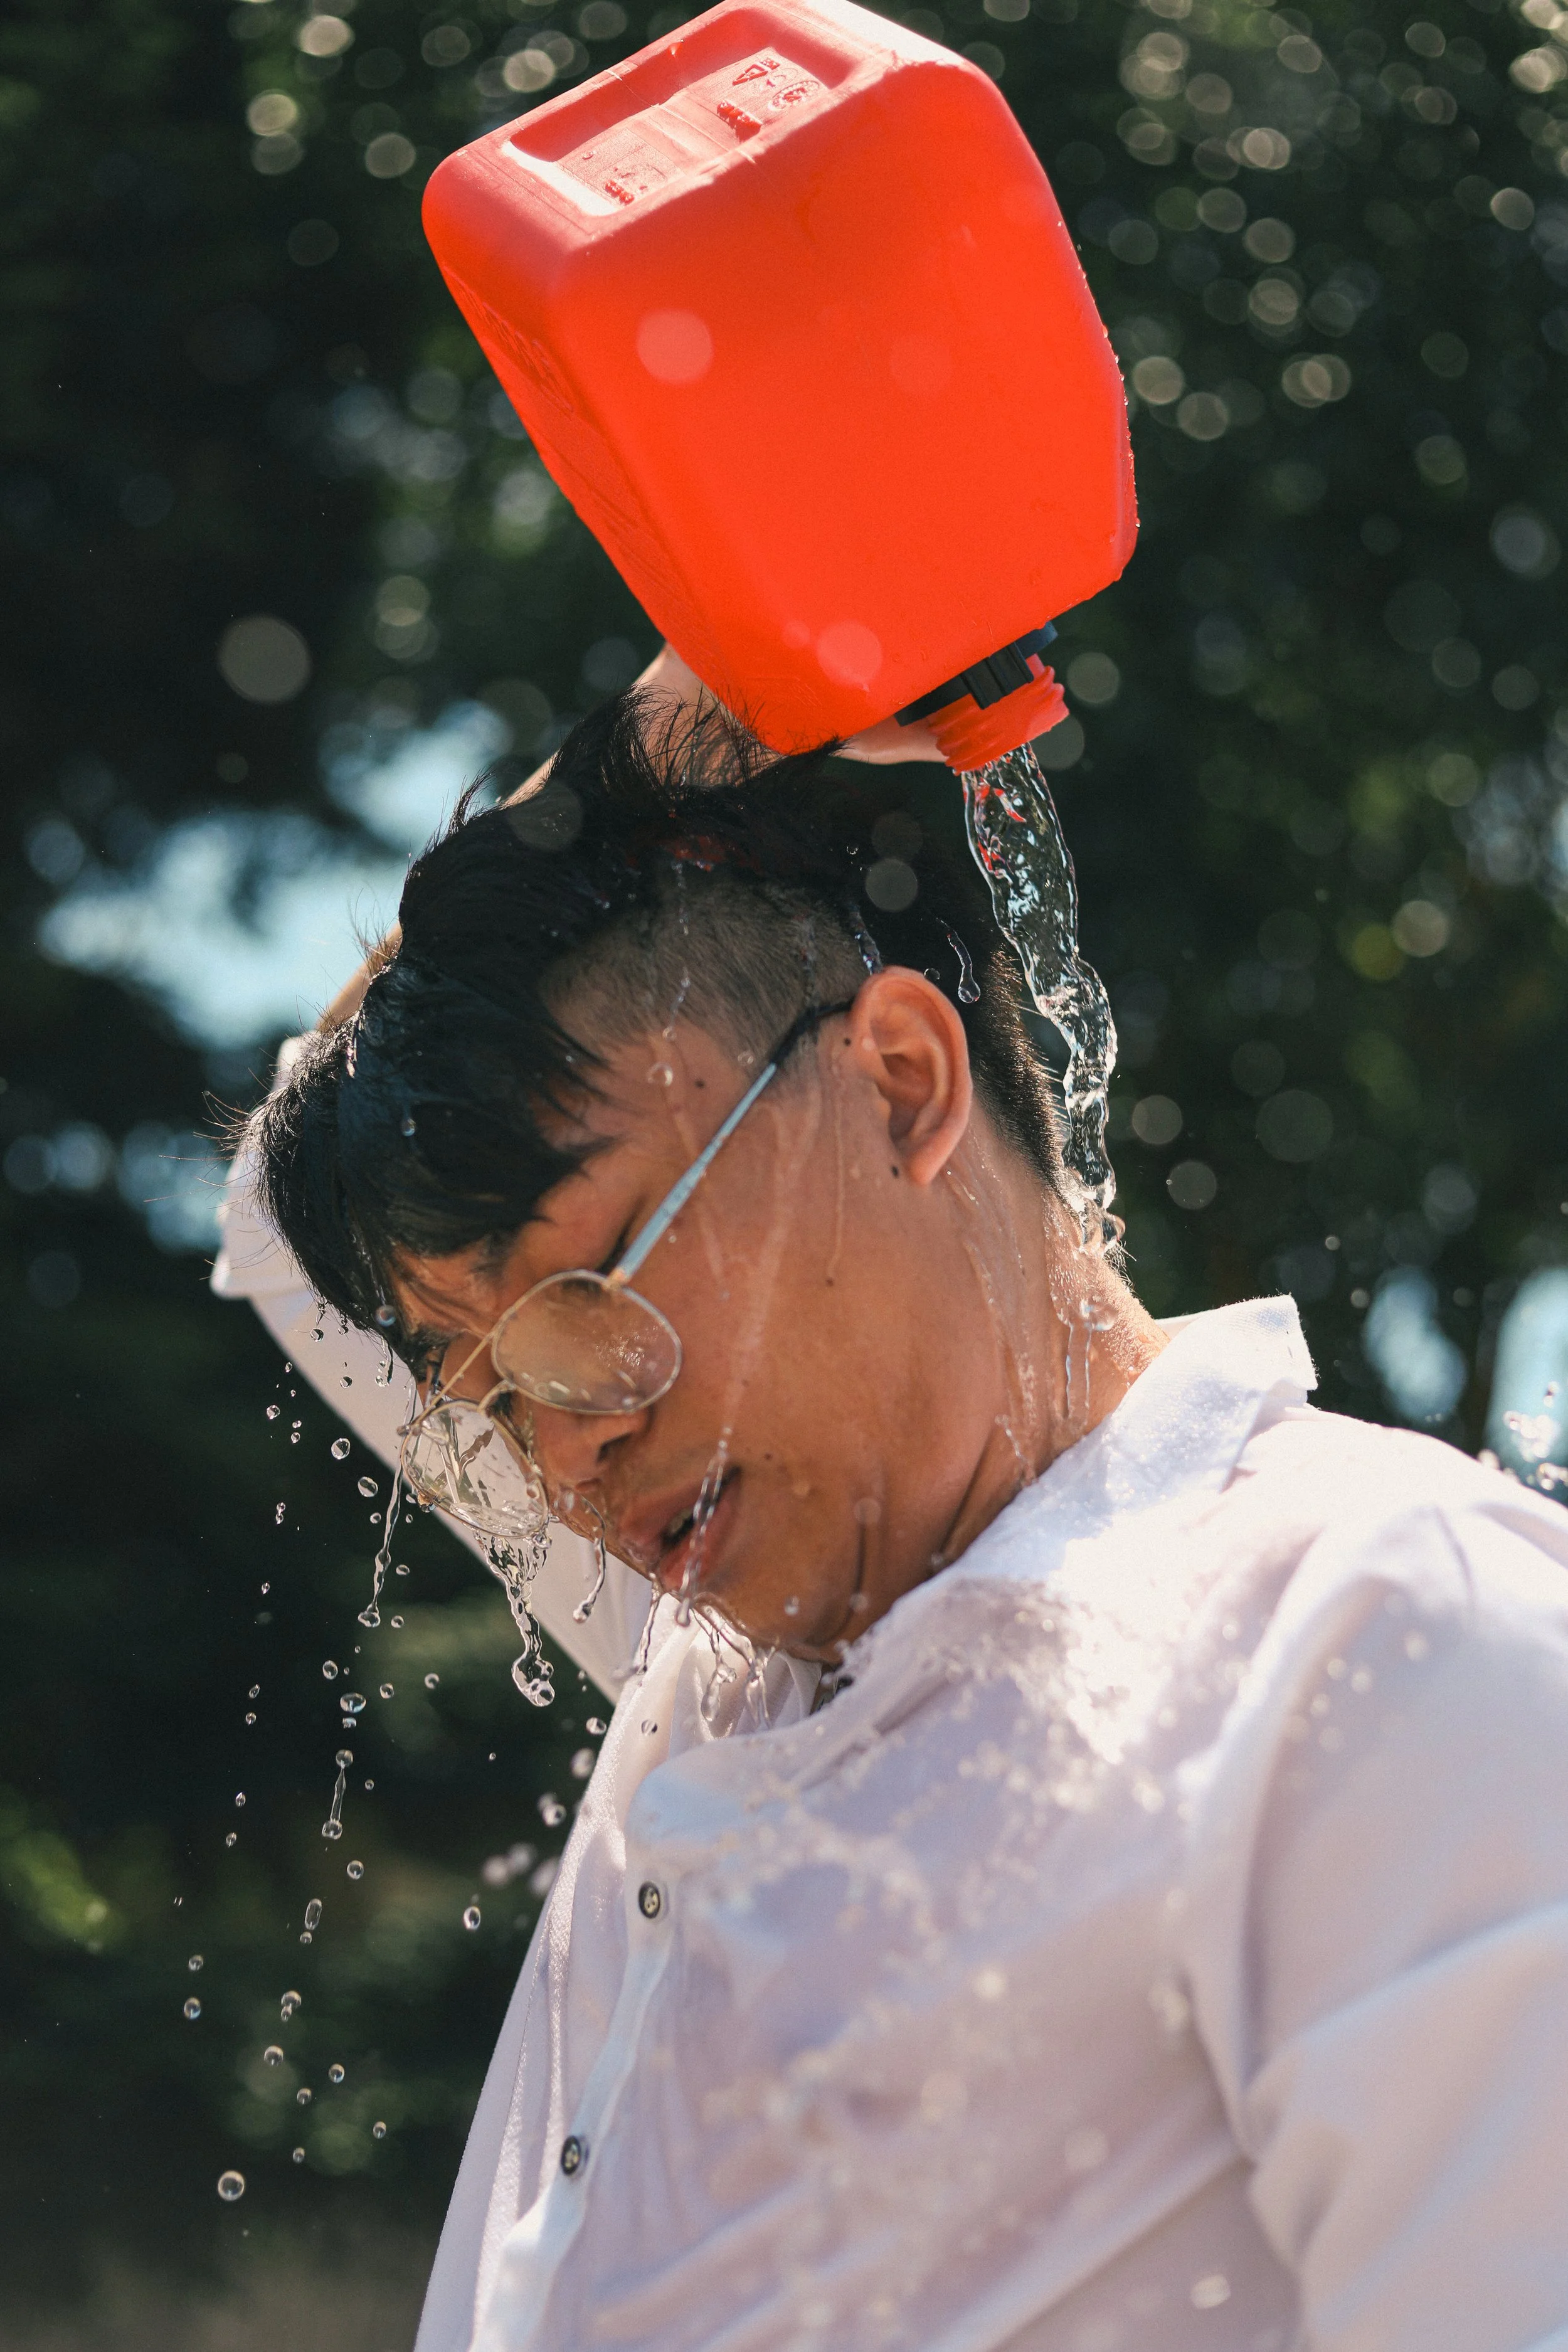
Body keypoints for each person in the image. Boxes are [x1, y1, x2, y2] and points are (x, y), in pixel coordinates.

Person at [219, 668, 1568, 2352]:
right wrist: (672, 730)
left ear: (903, 1085)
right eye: (491, 1396)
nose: (564, 1460)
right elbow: (280, 1215)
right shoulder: (714, 1641)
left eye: (589, 1297)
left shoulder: (1367, 1637)